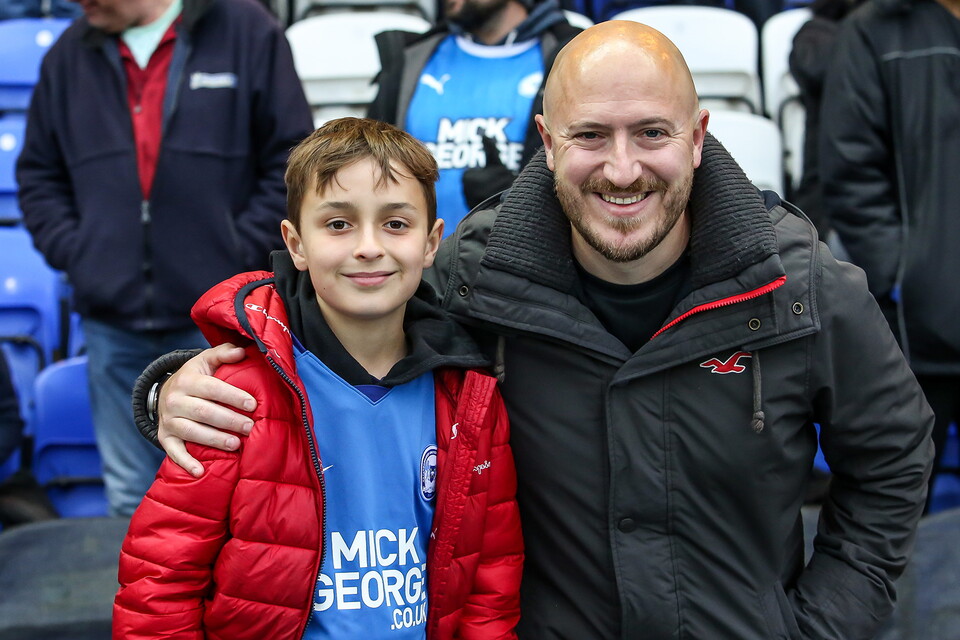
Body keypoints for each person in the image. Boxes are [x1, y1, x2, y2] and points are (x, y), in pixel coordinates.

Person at [139, 22, 934, 638]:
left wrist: (820, 627)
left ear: (698, 137)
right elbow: (327, 314)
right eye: (590, 136)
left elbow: (894, 460)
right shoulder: (477, 276)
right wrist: (172, 384)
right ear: (548, 146)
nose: (622, 169)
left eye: (651, 133)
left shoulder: (798, 286)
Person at [113, 118, 523, 638]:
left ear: (431, 242)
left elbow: (491, 581)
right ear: (296, 242)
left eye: (396, 224)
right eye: (338, 225)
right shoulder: (237, 397)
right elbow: (159, 583)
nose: (369, 247)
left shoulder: (471, 401)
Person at [15, 0, 313, 516]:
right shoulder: (68, 54)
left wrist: (231, 260)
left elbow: (292, 161)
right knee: (131, 496)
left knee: (232, 489)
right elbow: (39, 175)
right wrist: (83, 256)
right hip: (112, 323)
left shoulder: (247, 32)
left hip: (220, 322)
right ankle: (143, 599)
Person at [819, 0, 960, 511]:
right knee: (900, 506)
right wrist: (902, 271)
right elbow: (850, 168)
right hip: (919, 324)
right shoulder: (871, 32)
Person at [368, 0, 580, 230]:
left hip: (519, 256)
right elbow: (367, 169)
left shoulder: (572, 58)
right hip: (418, 261)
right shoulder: (409, 60)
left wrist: (517, 198)